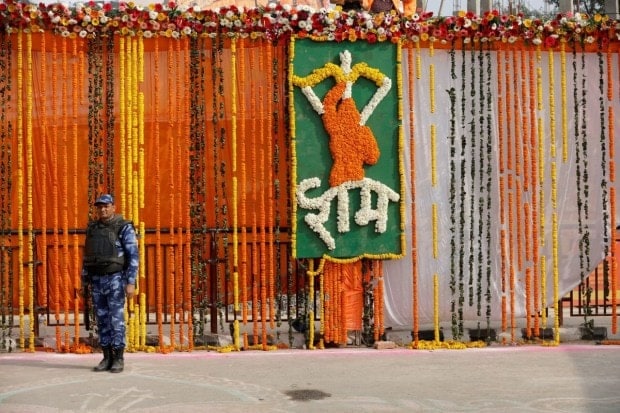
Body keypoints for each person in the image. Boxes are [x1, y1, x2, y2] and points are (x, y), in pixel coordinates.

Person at [82, 194, 139, 373]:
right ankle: (106, 357)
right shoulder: (92, 228)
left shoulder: (123, 227)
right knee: (102, 319)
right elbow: (87, 255)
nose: (103, 209)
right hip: (97, 279)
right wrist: (83, 279)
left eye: (106, 206)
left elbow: (133, 255)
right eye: (99, 207)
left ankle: (118, 357)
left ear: (113, 207)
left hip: (115, 278)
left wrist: (130, 282)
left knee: (116, 320)